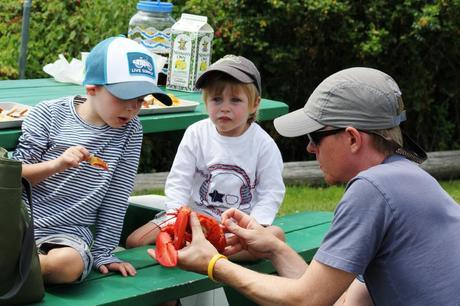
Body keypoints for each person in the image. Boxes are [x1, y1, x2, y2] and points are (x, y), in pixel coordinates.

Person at [151, 67, 460, 305]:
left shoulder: (371, 189)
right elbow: (330, 300)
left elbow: (306, 300)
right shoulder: (410, 180)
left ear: (352, 139)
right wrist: (275, 249)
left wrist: (214, 264)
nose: (310, 149)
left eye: (315, 137)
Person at [13, 36, 172, 284]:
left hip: (69, 236)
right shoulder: (48, 114)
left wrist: (104, 252)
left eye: (141, 100)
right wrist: (58, 164)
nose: (132, 108)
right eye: (124, 97)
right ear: (92, 88)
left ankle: (18, 267)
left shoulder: (131, 130)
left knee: (68, 265)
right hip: (19, 224)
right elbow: (14, 177)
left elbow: (118, 194)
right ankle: (20, 265)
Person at [126, 55, 286, 261]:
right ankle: (198, 250)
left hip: (236, 228)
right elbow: (179, 180)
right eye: (216, 99)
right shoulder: (196, 133)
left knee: (276, 238)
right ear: (205, 102)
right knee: (135, 241)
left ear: (254, 104)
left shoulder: (263, 144)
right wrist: (177, 216)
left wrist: (254, 225)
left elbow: (271, 192)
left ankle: (203, 255)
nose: (224, 107)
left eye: (235, 100)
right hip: (192, 221)